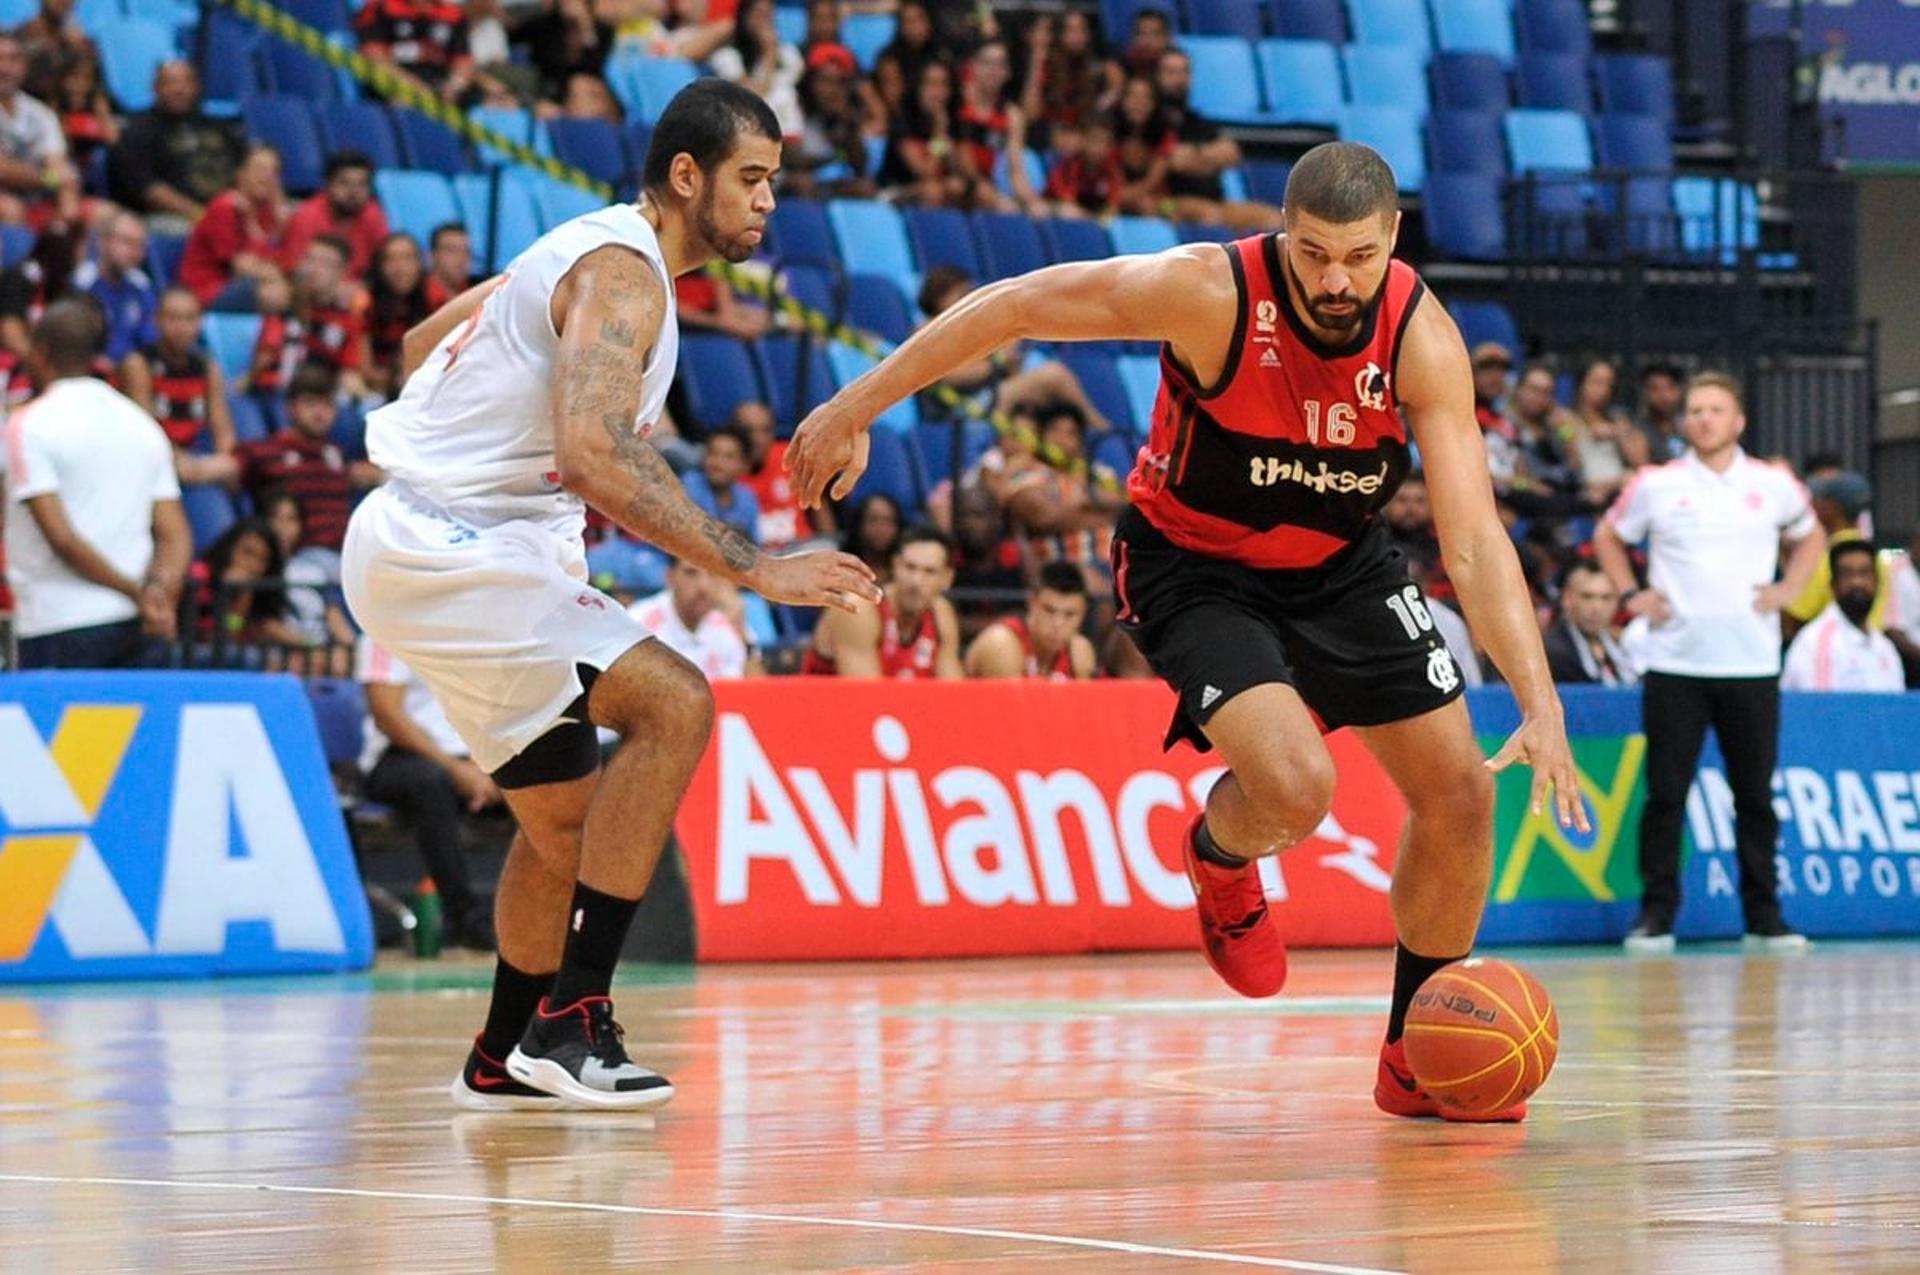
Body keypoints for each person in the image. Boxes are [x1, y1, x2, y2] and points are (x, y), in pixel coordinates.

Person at [786, 141, 1586, 1123]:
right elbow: (1015, 304)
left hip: (1341, 565)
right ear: (1283, 233)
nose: (1337, 280)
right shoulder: (1208, 291)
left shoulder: (1421, 335)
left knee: (1461, 793)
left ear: (1394, 242)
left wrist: (1541, 702)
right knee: (1298, 788)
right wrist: (856, 403)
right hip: (1194, 566)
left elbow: (1472, 539)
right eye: (1315, 253)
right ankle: (1219, 854)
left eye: (1361, 257)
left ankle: (1418, 1056)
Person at [341, 79, 877, 1112]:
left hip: (433, 541)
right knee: (676, 702)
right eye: (751, 179)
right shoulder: (625, 278)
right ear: (687, 176)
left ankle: (504, 1052)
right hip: (459, 547)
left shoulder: (581, 252)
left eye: (776, 182)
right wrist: (756, 566)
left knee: (565, 830)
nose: (770, 203)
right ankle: (575, 1017)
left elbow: (420, 354)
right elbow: (593, 454)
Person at [1594, 371, 1826, 953]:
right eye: (1695, 409)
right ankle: (1657, 913)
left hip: (1751, 663)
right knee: (1667, 794)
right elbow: (1607, 536)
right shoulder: (1657, 483)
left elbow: (1813, 535)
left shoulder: (1773, 483)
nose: (1703, 418)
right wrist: (1631, 596)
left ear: (1738, 420)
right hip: (1676, 663)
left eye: (1715, 409)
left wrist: (1789, 589)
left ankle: (1764, 915)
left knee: (1755, 796)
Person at [4, 299, 189, 667]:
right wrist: (158, 596)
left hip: (58, 624)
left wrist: (137, 593)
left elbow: (62, 538)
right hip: (136, 627)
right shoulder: (141, 423)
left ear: (40, 353)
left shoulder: (27, 426)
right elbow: (175, 534)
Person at [357, 635, 503, 951]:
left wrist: (487, 763)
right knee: (431, 783)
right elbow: (387, 715)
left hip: (474, 758)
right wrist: (456, 769)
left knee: (543, 785)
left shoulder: (470, 627)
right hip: (398, 758)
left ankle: (545, 922)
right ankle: (464, 919)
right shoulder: (382, 629)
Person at [804, 523, 960, 677]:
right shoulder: (859, 607)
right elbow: (866, 695)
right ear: (896, 565)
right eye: (910, 567)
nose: (916, 581)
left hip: (898, 701)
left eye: (929, 572)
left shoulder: (940, 613)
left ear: (947, 578)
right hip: (825, 701)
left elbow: (953, 691)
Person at [119, 285, 238, 487]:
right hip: (153, 465)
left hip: (194, 463)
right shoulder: (138, 364)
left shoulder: (207, 367)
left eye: (190, 319)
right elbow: (146, 434)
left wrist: (223, 461)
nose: (182, 327)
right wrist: (179, 461)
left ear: (200, 322)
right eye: (173, 318)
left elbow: (224, 432)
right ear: (156, 320)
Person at [106, 61, 244, 222]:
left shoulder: (218, 127)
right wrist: (202, 216)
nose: (179, 89)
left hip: (227, 211)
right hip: (171, 218)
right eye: (170, 82)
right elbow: (148, 189)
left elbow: (245, 168)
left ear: (197, 87)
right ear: (154, 89)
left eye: (187, 82)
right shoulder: (137, 131)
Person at [1780, 541, 1905, 693]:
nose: (1856, 582)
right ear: (1833, 585)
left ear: (1877, 582)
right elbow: (1821, 711)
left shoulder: (1885, 648)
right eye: (1847, 574)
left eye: (1864, 573)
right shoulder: (1817, 642)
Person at [177, 142, 288, 310]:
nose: (266, 177)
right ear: (240, 174)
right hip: (207, 291)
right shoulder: (224, 208)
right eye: (259, 169)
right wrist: (275, 272)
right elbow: (242, 267)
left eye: (273, 172)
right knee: (270, 292)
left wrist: (281, 225)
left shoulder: (269, 211)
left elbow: (281, 259)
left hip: (251, 284)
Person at [627, 554, 758, 679]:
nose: (703, 586)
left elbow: (759, 694)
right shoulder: (639, 623)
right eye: (691, 573)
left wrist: (741, 632)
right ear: (670, 577)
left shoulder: (728, 621)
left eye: (712, 574)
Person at [965, 559, 1095, 679]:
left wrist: (1081, 675)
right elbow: (1014, 704)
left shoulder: (1078, 653)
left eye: (1069, 614)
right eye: (1049, 610)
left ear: (1083, 614)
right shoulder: (1002, 644)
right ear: (1032, 604)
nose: (1057, 624)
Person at [0, 32, 76, 226]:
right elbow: (3, 170)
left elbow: (58, 164)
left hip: (34, 195)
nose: (5, 68)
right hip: (10, 199)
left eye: (13, 59)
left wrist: (67, 208)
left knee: (92, 212)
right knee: (10, 210)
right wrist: (49, 178)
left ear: (24, 66)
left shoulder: (41, 113)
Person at [279, 152, 391, 283]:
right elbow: (294, 270)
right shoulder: (306, 216)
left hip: (361, 291)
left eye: (362, 184)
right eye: (344, 183)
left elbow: (386, 261)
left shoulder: (373, 213)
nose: (353, 192)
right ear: (328, 185)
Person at [71, 209, 156, 363]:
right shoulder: (83, 283)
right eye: (128, 242)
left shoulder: (141, 284)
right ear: (102, 242)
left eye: (140, 245)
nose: (135, 252)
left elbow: (150, 338)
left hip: (132, 369)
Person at [1543, 559, 1636, 686]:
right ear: (1567, 599)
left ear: (1617, 602)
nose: (1596, 607)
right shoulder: (1551, 652)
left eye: (1606, 597)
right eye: (1587, 596)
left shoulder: (1628, 645)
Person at [681, 423, 760, 545]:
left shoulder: (747, 498)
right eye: (713, 453)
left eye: (728, 457)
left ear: (745, 465)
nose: (717, 464)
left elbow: (755, 546)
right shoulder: (689, 485)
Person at [1635, 360, 1686, 462]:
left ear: (1679, 391)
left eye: (1670, 388)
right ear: (1645, 393)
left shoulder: (1688, 427)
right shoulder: (1637, 430)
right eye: (1655, 389)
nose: (1664, 396)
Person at [424, 222, 472, 308]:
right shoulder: (415, 298)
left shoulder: (478, 297)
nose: (462, 258)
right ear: (432, 256)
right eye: (452, 250)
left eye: (466, 251)